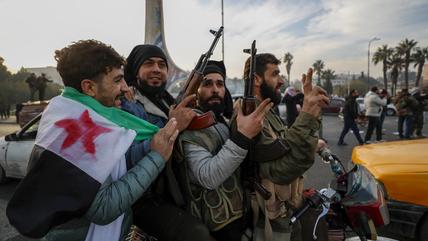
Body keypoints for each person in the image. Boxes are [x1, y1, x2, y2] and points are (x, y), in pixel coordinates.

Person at [7, 39, 179, 241]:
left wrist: (150, 146)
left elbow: (114, 162)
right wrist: (156, 157)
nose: (125, 88)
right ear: (89, 87)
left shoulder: (72, 112)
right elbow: (103, 208)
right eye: (117, 80)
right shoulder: (77, 132)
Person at [230, 53, 329, 241]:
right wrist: (306, 115)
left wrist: (313, 112)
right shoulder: (247, 116)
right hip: (269, 221)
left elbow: (287, 145)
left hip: (286, 209)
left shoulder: (268, 112)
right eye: (275, 74)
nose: (282, 80)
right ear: (256, 79)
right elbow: (280, 171)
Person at [174, 60, 272, 241]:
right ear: (196, 90)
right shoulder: (190, 128)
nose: (215, 89)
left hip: (240, 213)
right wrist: (243, 137)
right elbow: (208, 176)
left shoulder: (222, 122)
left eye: (220, 84)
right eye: (207, 84)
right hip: (216, 224)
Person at [121, 44, 210, 241]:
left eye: (162, 65)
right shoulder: (128, 104)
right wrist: (174, 124)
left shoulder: (165, 100)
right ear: (136, 70)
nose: (156, 69)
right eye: (148, 63)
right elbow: (131, 157)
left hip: (174, 186)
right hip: (146, 197)